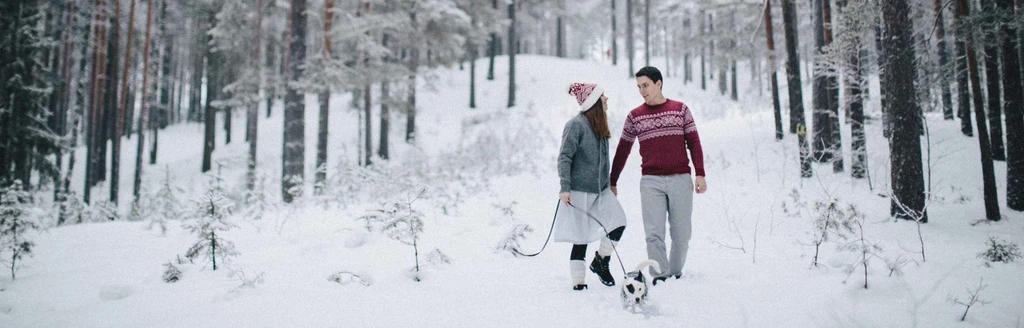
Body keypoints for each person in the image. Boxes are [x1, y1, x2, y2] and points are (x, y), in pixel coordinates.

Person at [609, 66, 706, 285]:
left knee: (682, 234)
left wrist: (700, 173)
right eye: (639, 87)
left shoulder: (680, 110)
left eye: (646, 85)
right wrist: (612, 180)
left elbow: (694, 143)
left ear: (658, 83)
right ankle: (660, 276)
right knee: (654, 234)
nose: (642, 91)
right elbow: (623, 149)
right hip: (651, 181)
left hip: (680, 178)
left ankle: (675, 272)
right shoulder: (635, 117)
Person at [556, 82, 627, 291]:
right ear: (594, 101)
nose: (606, 99)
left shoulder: (601, 125)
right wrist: (565, 187)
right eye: (602, 96)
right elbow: (564, 157)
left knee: (618, 221)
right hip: (578, 191)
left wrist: (609, 183)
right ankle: (579, 283)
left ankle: (601, 260)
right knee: (581, 237)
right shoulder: (575, 125)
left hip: (601, 190)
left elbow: (604, 160)